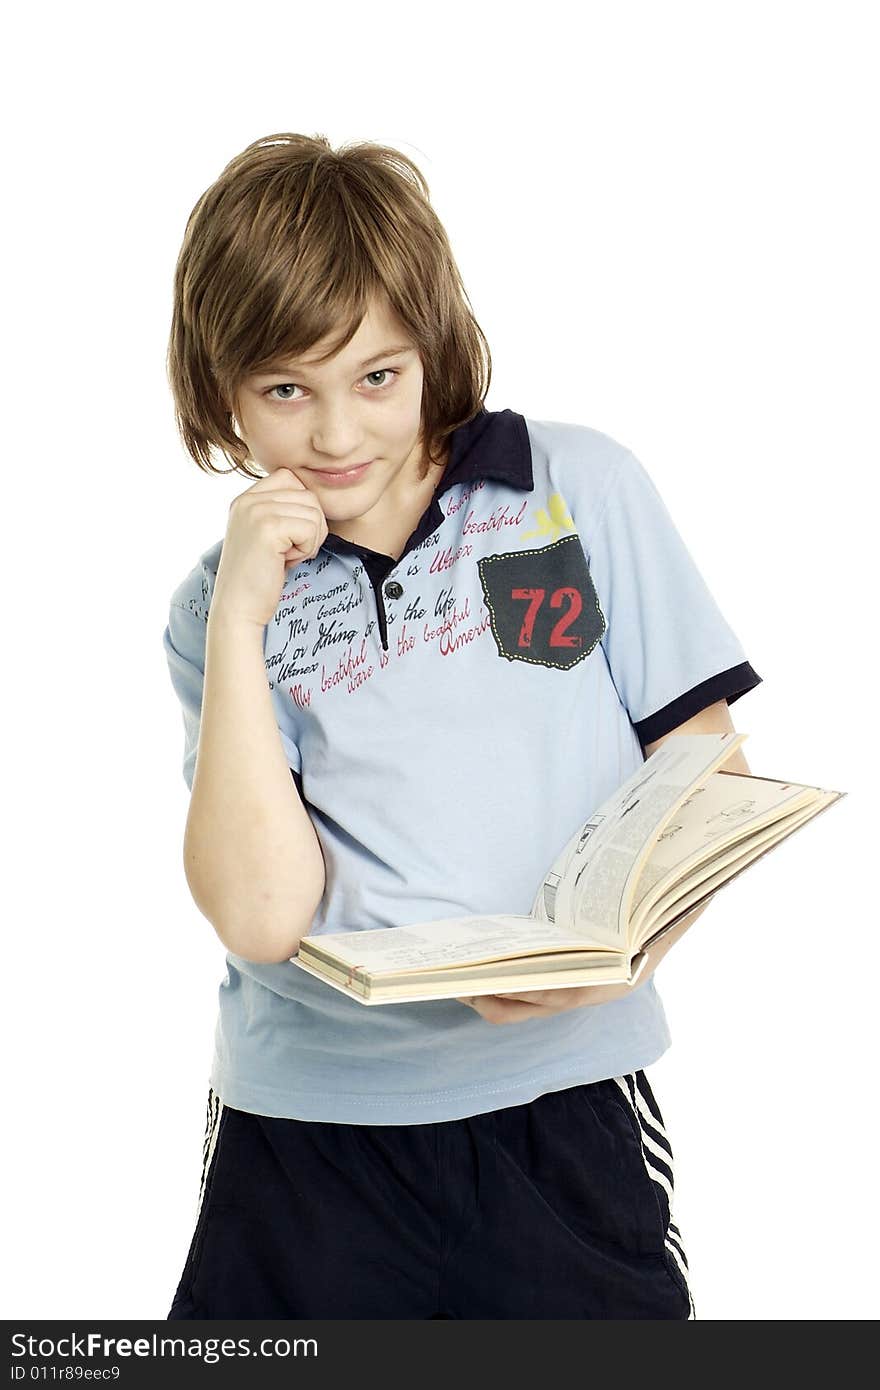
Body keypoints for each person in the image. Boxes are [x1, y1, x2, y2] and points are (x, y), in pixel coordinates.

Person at [161, 132, 762, 1320]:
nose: (336, 437)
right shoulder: (216, 607)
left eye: (376, 378)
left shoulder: (561, 491)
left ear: (434, 350)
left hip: (563, 1114)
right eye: (287, 390)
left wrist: (616, 958)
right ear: (220, 391)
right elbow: (261, 912)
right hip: (305, 1136)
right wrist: (240, 622)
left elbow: (702, 772)